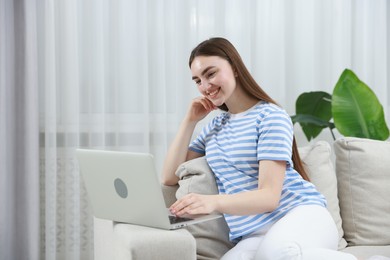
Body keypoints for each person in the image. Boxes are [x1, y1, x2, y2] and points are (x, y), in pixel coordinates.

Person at [161, 37, 358, 260]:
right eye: (197, 80)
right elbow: (169, 176)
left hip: (301, 216)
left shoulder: (269, 116)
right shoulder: (214, 127)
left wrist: (212, 202)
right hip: (253, 235)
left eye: (211, 74)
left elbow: (269, 197)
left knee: (276, 254)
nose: (204, 87)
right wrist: (189, 121)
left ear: (235, 68)